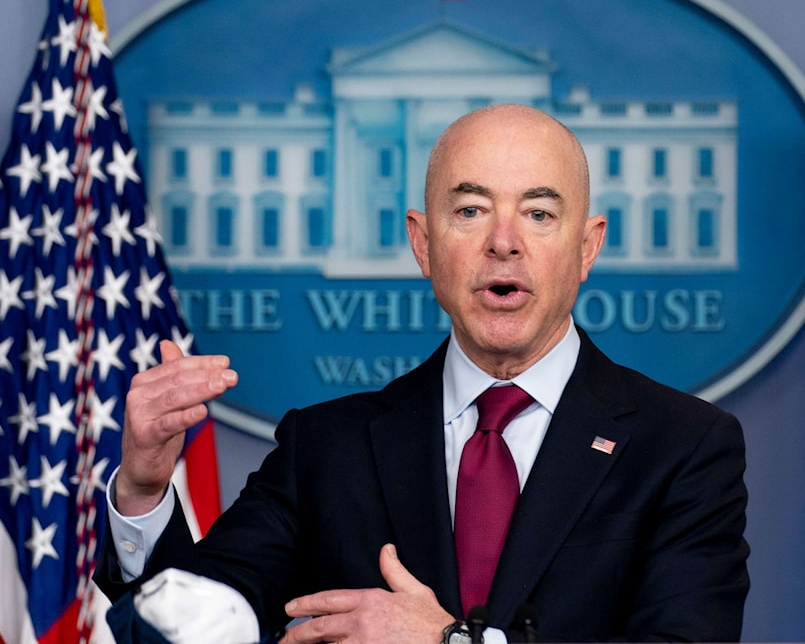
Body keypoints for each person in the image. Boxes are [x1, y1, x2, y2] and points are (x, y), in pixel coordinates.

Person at [95, 104, 750, 643]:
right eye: (470, 209)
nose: (504, 240)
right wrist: (145, 493)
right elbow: (198, 617)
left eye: (539, 213)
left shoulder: (684, 446)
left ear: (587, 247)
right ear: (423, 242)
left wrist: (452, 643)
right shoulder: (326, 447)